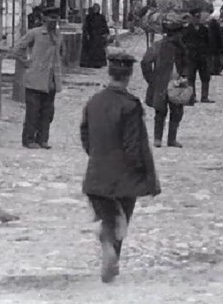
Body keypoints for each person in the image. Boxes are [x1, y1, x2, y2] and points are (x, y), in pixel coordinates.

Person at [80, 48, 160, 283]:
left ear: (109, 72)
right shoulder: (130, 105)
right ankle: (112, 254)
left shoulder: (94, 101)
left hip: (96, 173)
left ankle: (108, 249)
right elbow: (133, 143)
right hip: (124, 176)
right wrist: (140, 171)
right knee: (122, 217)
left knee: (108, 217)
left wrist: (97, 155)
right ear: (128, 75)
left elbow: (85, 135)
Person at [13, 6, 64, 148]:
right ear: (44, 19)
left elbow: (60, 54)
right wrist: (26, 62)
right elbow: (17, 49)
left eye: (56, 18)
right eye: (51, 18)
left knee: (48, 112)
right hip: (35, 78)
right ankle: (28, 140)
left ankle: (43, 139)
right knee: (33, 111)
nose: (54, 21)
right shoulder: (35, 33)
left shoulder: (58, 35)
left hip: (52, 79)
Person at [141, 15, 190, 147]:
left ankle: (171, 139)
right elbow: (145, 62)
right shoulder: (159, 46)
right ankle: (158, 138)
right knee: (160, 111)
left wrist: (184, 75)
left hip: (177, 84)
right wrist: (151, 80)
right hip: (161, 84)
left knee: (177, 111)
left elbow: (186, 64)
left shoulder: (181, 48)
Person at [183, 9, 215, 103]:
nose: (198, 19)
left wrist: (208, 54)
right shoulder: (187, 30)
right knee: (191, 78)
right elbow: (183, 42)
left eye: (199, 17)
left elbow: (209, 42)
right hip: (191, 56)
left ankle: (204, 97)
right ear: (192, 18)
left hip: (202, 57)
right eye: (196, 17)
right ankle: (192, 97)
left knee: (205, 77)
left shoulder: (204, 29)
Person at [81, 3, 110, 69]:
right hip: (91, 36)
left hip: (99, 36)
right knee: (91, 50)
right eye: (94, 8)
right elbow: (86, 26)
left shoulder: (101, 17)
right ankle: (90, 63)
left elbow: (104, 26)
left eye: (97, 8)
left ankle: (98, 64)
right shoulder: (89, 17)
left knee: (99, 51)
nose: (95, 10)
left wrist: (106, 33)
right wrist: (86, 33)